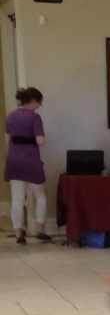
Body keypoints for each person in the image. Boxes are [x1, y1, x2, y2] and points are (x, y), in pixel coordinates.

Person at [5, 87, 49, 244]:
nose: (39, 106)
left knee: (17, 198)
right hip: (31, 161)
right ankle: (40, 230)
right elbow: (40, 141)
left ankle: (18, 234)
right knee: (40, 196)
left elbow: (8, 140)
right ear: (33, 101)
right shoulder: (34, 118)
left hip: (14, 161)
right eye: (39, 102)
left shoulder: (10, 116)